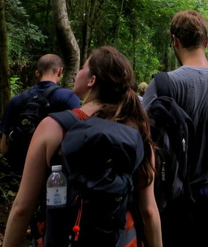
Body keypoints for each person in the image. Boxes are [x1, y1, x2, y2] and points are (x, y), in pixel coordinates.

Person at [3, 46, 162, 247]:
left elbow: (22, 208)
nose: (77, 72)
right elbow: (149, 210)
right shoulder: (136, 131)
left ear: (91, 80)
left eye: (83, 68)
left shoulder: (53, 128)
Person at [143, 10, 208, 247]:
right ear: (206, 41)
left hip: (170, 198)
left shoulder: (163, 85)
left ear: (174, 41)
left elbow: (142, 144)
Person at [0, 54, 80, 158]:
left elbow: (3, 146)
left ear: (37, 73)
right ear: (60, 71)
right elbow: (78, 134)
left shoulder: (16, 100)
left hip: (20, 165)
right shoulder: (69, 97)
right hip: (54, 166)